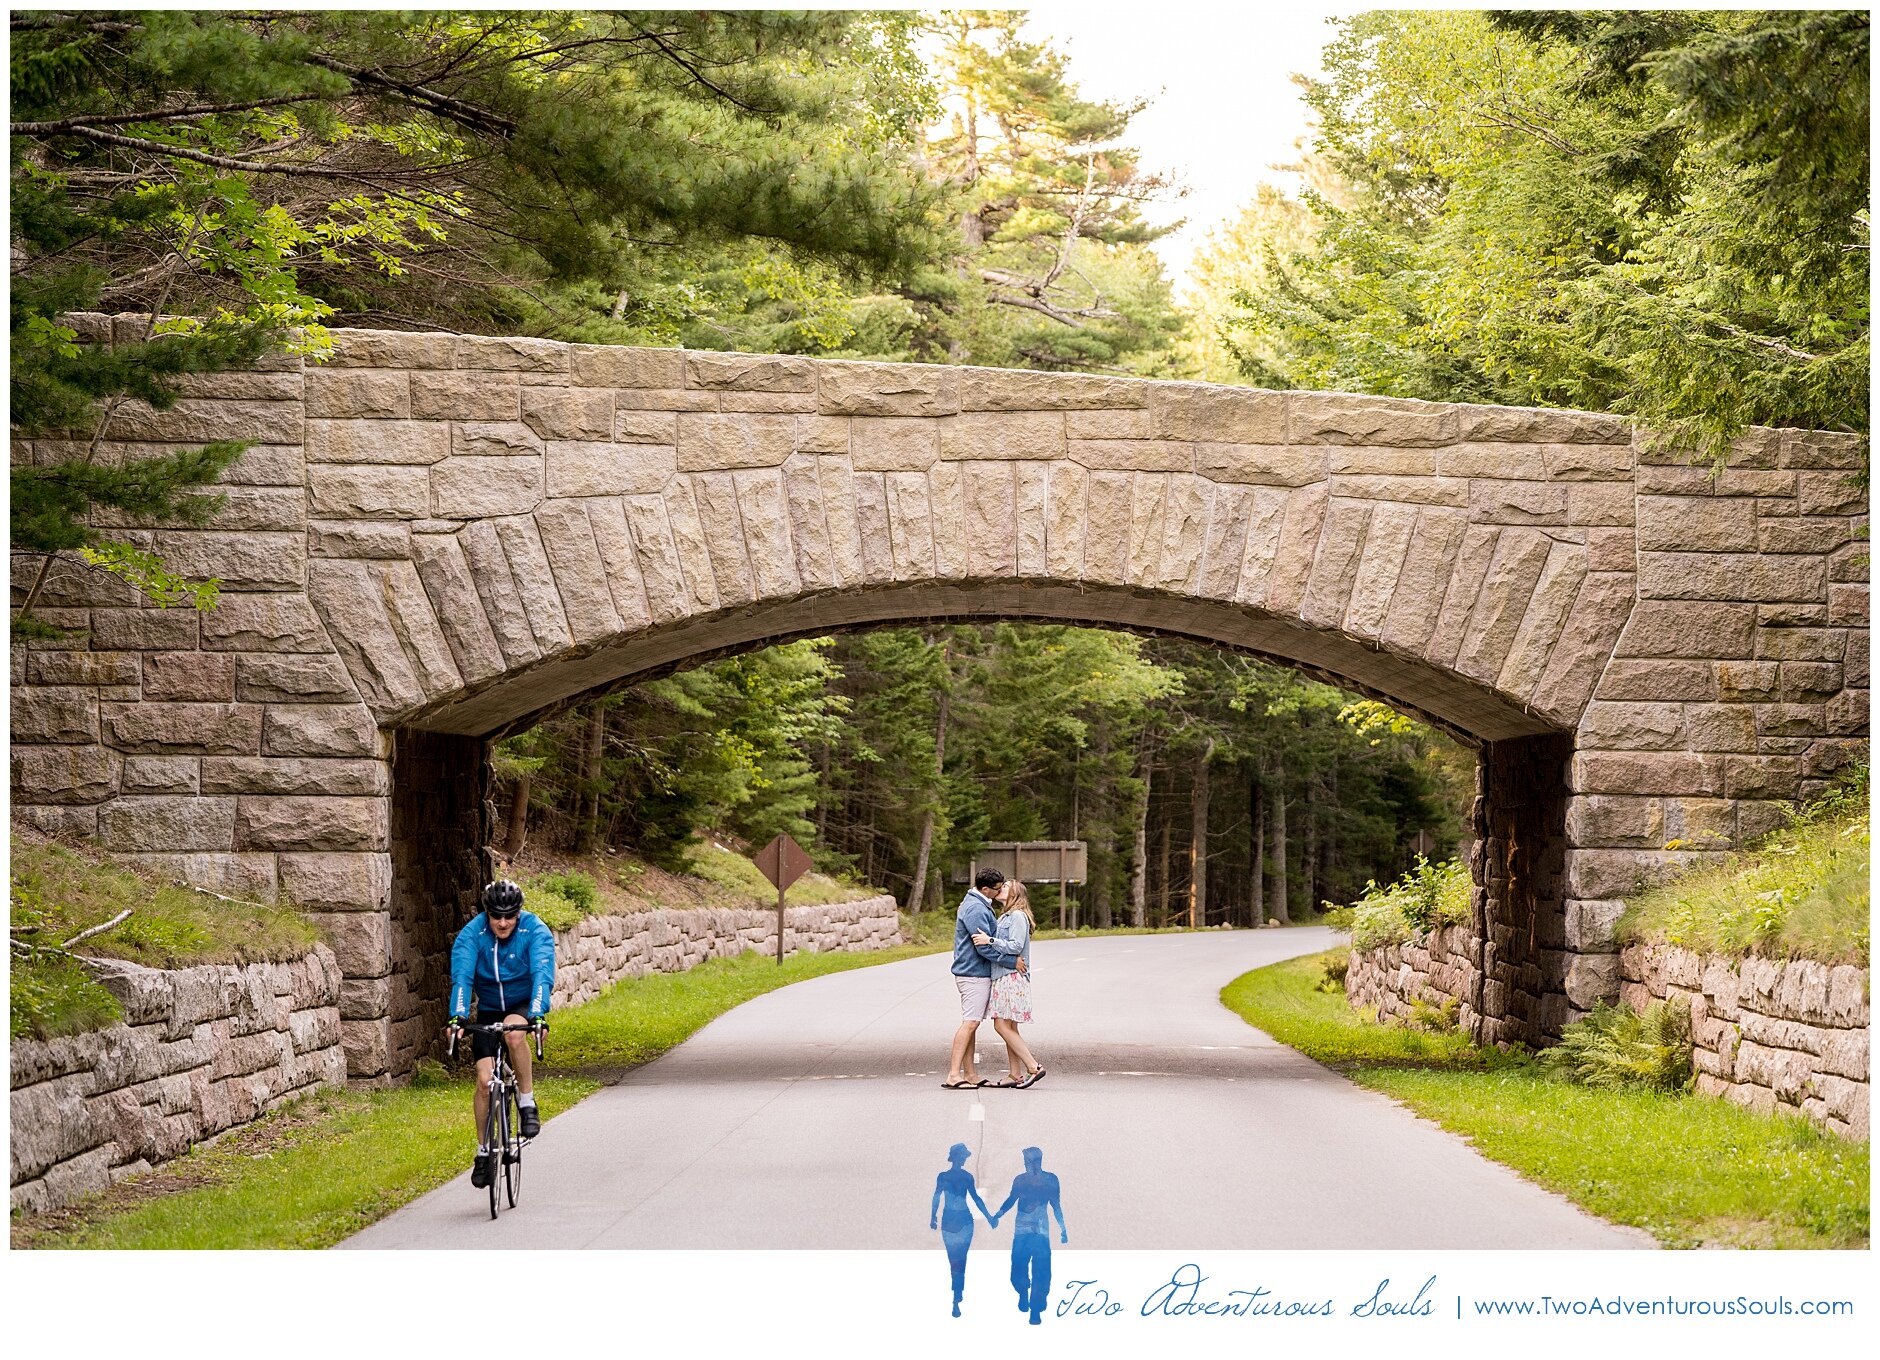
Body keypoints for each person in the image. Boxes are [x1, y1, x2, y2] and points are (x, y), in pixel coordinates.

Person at [447, 879, 557, 1190]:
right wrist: (456, 1017)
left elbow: (542, 974)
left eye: (510, 916)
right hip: (490, 1008)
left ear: (519, 914)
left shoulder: (535, 931)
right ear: (487, 914)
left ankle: (526, 1101)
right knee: (484, 1082)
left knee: (513, 1035)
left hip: (522, 1004)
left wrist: (537, 1016)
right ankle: (483, 1151)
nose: (503, 922)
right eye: (497, 916)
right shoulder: (472, 934)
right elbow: (462, 977)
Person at [974, 881, 1045, 1088]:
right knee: (1010, 1027)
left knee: (1001, 1025)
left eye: (1005, 887)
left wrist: (990, 941)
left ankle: (1033, 1066)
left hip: (1010, 977)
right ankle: (1015, 1074)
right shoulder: (1006, 916)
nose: (1000, 889)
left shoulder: (1017, 916)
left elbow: (1015, 946)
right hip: (1005, 975)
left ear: (1014, 894)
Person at [944, 867, 1006, 1089]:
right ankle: (953, 1074)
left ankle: (970, 1073)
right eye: (997, 889)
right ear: (985, 888)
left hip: (974, 971)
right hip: (973, 972)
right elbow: (983, 945)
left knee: (973, 1022)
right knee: (970, 1023)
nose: (999, 893)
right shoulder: (976, 909)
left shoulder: (977, 904)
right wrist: (1010, 962)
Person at [991, 1146, 1067, 1325]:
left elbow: (1056, 1206)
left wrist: (1063, 1229)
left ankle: (1035, 1310)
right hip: (1022, 1231)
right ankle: (1023, 1292)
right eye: (1024, 1162)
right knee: (1018, 1267)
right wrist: (998, 1214)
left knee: (1041, 1272)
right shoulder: (1020, 1180)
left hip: (1041, 1233)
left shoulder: (1051, 1180)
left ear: (1036, 1162)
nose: (1024, 1165)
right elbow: (1011, 1199)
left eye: (1027, 1162)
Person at [931, 1142, 996, 1317]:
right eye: (963, 1156)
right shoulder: (943, 1177)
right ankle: (956, 1293)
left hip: (963, 1220)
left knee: (961, 1259)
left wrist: (989, 1217)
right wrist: (932, 1216)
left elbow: (975, 1199)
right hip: (951, 1221)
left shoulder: (967, 1177)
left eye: (965, 1157)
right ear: (956, 1157)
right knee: (954, 1259)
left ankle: (957, 1295)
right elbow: (936, 1196)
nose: (965, 1159)